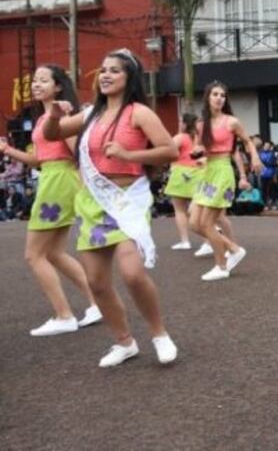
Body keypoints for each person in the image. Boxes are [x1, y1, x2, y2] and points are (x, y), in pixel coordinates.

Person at [42, 49, 178, 367]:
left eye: (114, 70)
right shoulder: (90, 115)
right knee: (97, 283)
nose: (105, 75)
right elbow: (52, 135)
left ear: (129, 77)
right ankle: (124, 342)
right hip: (92, 203)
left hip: (126, 199)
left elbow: (169, 150)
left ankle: (159, 334)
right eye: (102, 70)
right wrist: (54, 115)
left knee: (132, 273)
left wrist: (129, 156)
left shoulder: (138, 113)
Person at [0, 64, 102, 337]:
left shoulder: (60, 115)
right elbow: (39, 160)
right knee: (54, 253)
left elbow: (77, 154)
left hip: (58, 183)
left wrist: (90, 190)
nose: (36, 84)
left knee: (34, 255)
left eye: (43, 80)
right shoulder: (46, 117)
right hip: (55, 179)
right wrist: (8, 149)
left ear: (58, 86)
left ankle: (64, 315)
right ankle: (96, 304)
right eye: (34, 80)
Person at [189, 81, 261, 281]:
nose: (219, 98)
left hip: (222, 171)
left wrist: (254, 157)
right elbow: (197, 149)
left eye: (222, 95)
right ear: (208, 97)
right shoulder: (200, 125)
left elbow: (247, 141)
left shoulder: (231, 121)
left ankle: (221, 266)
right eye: (215, 94)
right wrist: (197, 155)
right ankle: (233, 248)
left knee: (207, 223)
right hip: (206, 173)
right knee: (194, 223)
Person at [165, 113, 205, 250]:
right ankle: (208, 239)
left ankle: (185, 241)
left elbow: (168, 151)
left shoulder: (180, 137)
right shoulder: (201, 139)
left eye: (181, 121)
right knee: (200, 208)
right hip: (199, 172)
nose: (179, 123)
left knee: (179, 209)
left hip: (180, 172)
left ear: (185, 123)